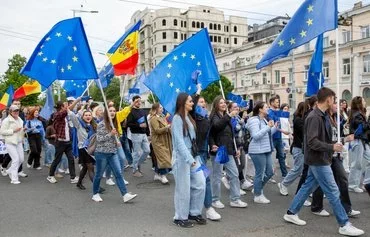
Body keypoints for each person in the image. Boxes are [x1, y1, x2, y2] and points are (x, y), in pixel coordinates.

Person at [283, 87, 364, 237]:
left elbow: (325, 139)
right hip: (318, 160)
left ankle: (291, 212)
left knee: (307, 187)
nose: (335, 102)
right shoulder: (314, 117)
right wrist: (331, 146)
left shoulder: (322, 116)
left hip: (320, 158)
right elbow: (312, 142)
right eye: (333, 99)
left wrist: (342, 140)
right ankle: (344, 224)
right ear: (328, 99)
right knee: (333, 191)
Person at [309, 101, 360, 217]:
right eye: (335, 104)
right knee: (319, 182)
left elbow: (336, 137)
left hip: (335, 156)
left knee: (342, 179)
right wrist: (344, 140)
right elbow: (325, 140)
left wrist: (343, 138)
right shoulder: (323, 119)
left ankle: (347, 208)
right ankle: (316, 206)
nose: (338, 106)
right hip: (325, 155)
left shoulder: (336, 118)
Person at [172, 93, 206, 228]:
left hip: (194, 156)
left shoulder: (189, 118)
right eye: (190, 101)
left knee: (201, 182)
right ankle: (180, 217)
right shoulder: (177, 119)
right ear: (183, 103)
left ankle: (194, 212)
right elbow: (179, 142)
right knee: (183, 189)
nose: (193, 103)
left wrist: (198, 90)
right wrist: (189, 159)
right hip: (182, 159)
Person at [91, 106, 137, 203]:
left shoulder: (114, 124)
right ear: (106, 113)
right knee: (99, 175)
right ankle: (95, 194)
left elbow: (112, 138)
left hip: (112, 153)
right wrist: (111, 134)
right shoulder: (101, 124)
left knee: (118, 174)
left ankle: (125, 195)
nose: (112, 112)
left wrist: (116, 141)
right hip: (101, 153)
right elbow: (99, 139)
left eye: (114, 111)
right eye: (110, 111)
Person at [209, 96, 248, 209]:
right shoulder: (214, 117)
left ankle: (235, 199)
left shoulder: (226, 117)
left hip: (229, 149)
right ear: (216, 105)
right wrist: (228, 116)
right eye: (220, 103)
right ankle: (215, 199)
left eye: (224, 103)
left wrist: (236, 149)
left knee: (234, 174)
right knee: (217, 176)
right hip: (220, 150)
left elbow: (231, 134)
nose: (223, 104)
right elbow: (217, 127)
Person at [189, 91, 221, 221]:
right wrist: (196, 94)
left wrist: (212, 144)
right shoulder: (193, 117)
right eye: (200, 102)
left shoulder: (204, 117)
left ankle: (199, 208)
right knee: (205, 180)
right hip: (195, 154)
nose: (203, 104)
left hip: (203, 153)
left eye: (204, 102)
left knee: (202, 180)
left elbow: (209, 134)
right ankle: (208, 208)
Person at [246, 101, 277, 204]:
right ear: (260, 109)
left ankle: (257, 188)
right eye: (266, 107)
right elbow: (255, 136)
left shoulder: (264, 119)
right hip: (257, 150)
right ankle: (258, 195)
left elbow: (266, 134)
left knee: (270, 172)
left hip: (266, 149)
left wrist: (274, 128)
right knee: (260, 173)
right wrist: (268, 127)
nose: (268, 109)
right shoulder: (254, 120)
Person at [47, 101, 78, 184]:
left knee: (71, 160)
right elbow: (67, 111)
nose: (66, 106)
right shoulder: (57, 115)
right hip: (60, 142)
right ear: (61, 107)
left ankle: (73, 177)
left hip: (68, 142)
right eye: (65, 105)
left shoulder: (65, 116)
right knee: (57, 160)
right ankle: (50, 176)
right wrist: (77, 101)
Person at [68, 99, 97, 190]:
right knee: (90, 168)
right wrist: (77, 101)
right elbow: (70, 111)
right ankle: (97, 187)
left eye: (89, 115)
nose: (88, 116)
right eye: (86, 115)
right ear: (82, 116)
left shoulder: (94, 126)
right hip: (83, 149)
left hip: (91, 149)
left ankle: (79, 183)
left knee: (85, 167)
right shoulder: (78, 124)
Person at [278, 102, 305, 196]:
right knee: (298, 169)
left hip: (303, 147)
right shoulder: (298, 120)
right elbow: (304, 133)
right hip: (298, 147)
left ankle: (309, 190)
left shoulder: (303, 119)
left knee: (308, 171)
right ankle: (284, 184)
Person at [348, 96, 370, 193]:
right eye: (363, 101)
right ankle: (352, 185)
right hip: (358, 140)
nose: (365, 102)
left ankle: (367, 182)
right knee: (357, 164)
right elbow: (362, 128)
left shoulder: (359, 114)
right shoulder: (357, 115)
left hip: (362, 140)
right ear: (359, 103)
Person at [0, 105, 25, 184]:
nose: (16, 112)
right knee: (16, 159)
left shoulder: (20, 119)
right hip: (10, 142)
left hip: (19, 141)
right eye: (14, 111)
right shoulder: (6, 120)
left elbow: (20, 130)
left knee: (21, 159)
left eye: (17, 110)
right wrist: (13, 130)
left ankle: (10, 170)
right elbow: (2, 132)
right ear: (10, 112)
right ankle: (14, 179)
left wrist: (23, 130)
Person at [126, 95, 150, 177]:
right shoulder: (130, 111)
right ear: (133, 102)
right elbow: (128, 124)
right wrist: (139, 126)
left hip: (144, 134)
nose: (139, 102)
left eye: (140, 101)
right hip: (135, 134)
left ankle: (136, 165)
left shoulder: (142, 111)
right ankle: (135, 170)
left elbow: (146, 123)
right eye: (137, 101)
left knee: (147, 151)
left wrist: (148, 133)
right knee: (136, 153)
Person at [148, 103, 172, 184]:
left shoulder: (162, 117)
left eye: (162, 107)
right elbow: (157, 130)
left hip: (165, 140)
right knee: (163, 158)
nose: (162, 109)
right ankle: (163, 176)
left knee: (162, 158)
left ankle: (157, 174)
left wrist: (169, 127)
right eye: (160, 108)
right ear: (156, 109)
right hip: (158, 141)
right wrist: (167, 127)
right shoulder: (153, 119)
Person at [268, 97, 288, 179]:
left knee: (281, 156)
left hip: (279, 137)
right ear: (272, 103)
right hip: (272, 138)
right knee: (270, 158)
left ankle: (285, 175)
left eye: (278, 102)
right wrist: (283, 131)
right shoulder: (269, 112)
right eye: (276, 102)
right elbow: (273, 125)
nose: (278, 104)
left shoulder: (279, 111)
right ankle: (269, 175)